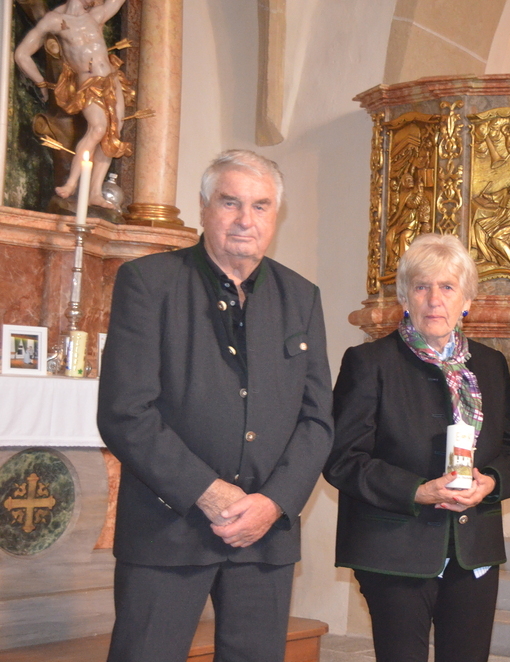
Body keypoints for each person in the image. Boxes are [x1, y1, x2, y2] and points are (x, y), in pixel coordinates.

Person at [97, 150, 334, 662]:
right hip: (167, 529)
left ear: (275, 216)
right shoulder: (149, 283)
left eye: (260, 206)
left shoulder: (301, 297)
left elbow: (317, 420)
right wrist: (207, 492)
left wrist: (273, 502)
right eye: (230, 203)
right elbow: (125, 411)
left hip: (264, 536)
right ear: (204, 208)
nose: (245, 219)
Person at [325, 233, 510, 662]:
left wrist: (490, 482)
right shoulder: (369, 363)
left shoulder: (491, 365)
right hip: (394, 548)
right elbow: (343, 460)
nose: (435, 299)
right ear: (405, 297)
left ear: (466, 300)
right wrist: (417, 490)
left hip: (473, 549)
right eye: (422, 287)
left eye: (448, 287)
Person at [14, 0, 132, 207]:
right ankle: (71, 184)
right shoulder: (54, 20)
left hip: (111, 79)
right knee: (97, 129)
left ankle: (95, 192)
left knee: (112, 133)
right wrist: (41, 83)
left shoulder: (96, 15)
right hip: (87, 83)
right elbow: (22, 54)